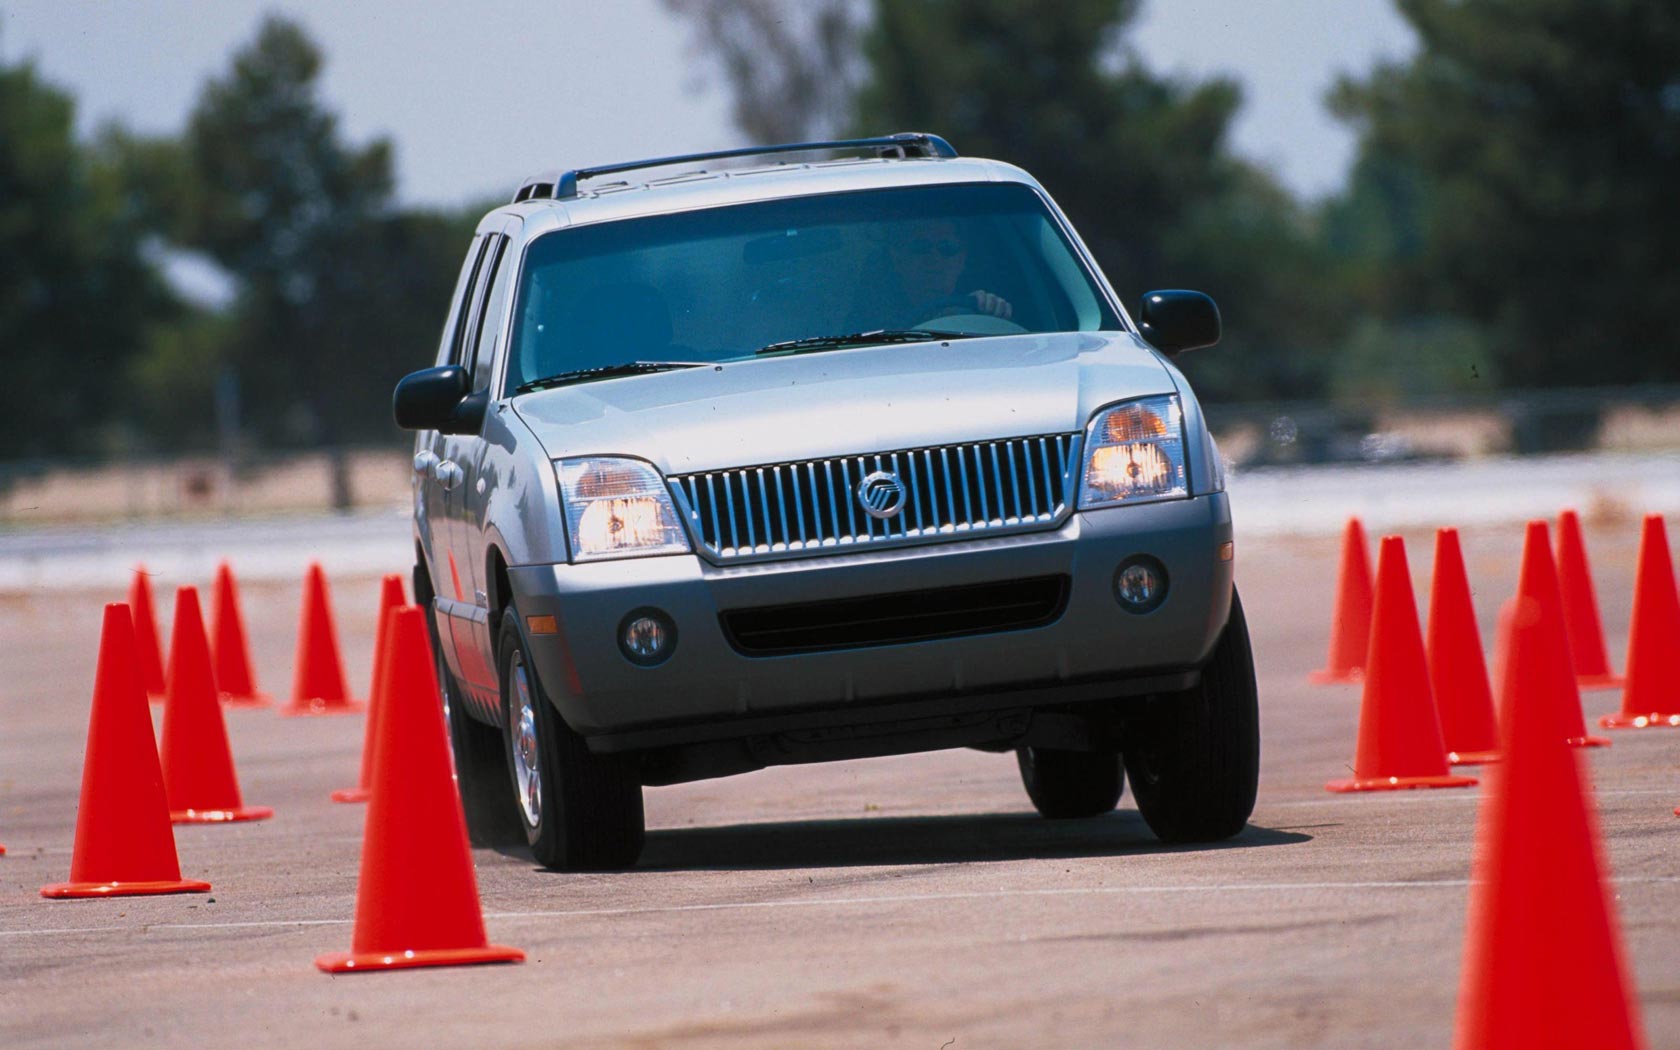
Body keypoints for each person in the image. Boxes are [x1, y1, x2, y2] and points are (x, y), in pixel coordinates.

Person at [875, 218, 1014, 328]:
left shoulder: (978, 311)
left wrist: (992, 312)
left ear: (961, 261)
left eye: (947, 248)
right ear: (897, 258)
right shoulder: (868, 321)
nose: (934, 259)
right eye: (921, 248)